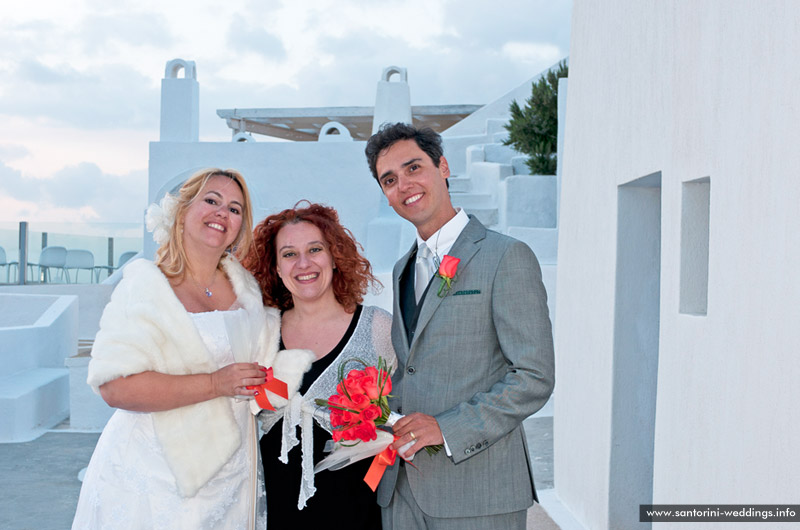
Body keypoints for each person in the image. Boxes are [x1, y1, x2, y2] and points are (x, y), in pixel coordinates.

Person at [72, 168, 314, 529]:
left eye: (235, 209)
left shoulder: (247, 288)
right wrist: (215, 384)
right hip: (153, 472)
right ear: (182, 212)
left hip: (232, 474)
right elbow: (114, 386)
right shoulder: (145, 286)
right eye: (212, 200)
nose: (222, 213)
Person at [364, 123, 556, 529]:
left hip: (479, 493)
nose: (405, 185)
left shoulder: (506, 257)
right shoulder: (402, 269)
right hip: (400, 491)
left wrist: (446, 428)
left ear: (443, 166)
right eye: (390, 179)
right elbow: (412, 368)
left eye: (414, 168)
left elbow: (534, 376)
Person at [243, 201, 395, 529]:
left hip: (358, 513)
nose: (303, 263)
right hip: (276, 515)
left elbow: (403, 417)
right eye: (288, 254)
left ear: (335, 256)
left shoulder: (377, 328)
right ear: (276, 267)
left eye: (315, 249)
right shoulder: (260, 333)